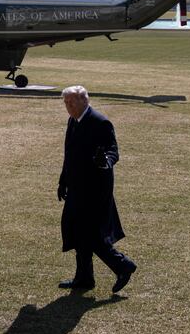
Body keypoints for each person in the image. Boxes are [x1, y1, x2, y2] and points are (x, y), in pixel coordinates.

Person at [57, 85, 137, 293]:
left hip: (94, 191)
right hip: (76, 189)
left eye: (72, 102)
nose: (68, 106)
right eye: (66, 102)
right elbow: (70, 155)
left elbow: (113, 151)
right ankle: (84, 279)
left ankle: (123, 265)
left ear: (85, 101)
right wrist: (63, 181)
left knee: (91, 235)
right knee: (78, 233)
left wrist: (105, 162)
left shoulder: (100, 122)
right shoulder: (73, 121)